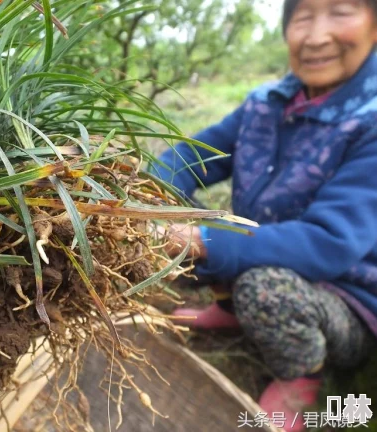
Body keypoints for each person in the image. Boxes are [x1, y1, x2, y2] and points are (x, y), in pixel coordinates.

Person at [150, 0, 377, 430]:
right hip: (267, 250)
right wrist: (149, 196)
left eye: (341, 11)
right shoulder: (266, 104)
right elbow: (189, 156)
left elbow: (328, 243)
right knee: (187, 235)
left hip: (344, 295)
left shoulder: (371, 124)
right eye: (303, 17)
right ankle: (232, 310)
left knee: (261, 285)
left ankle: (301, 375)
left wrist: (200, 239)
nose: (315, 35)